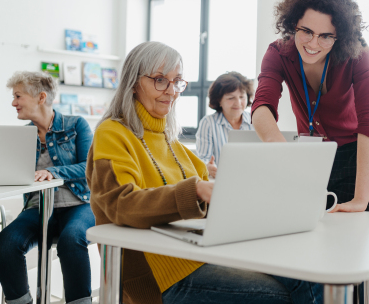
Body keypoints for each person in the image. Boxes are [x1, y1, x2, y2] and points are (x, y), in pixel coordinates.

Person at [86, 41, 322, 304]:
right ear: (133, 82)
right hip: (165, 275)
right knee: (286, 295)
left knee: (312, 275)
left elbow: (209, 198)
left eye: (177, 81)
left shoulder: (170, 141)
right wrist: (196, 190)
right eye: (160, 80)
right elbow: (121, 204)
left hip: (203, 254)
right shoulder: (112, 132)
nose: (171, 91)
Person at [252, 0, 369, 214]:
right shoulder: (278, 53)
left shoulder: (358, 53)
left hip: (358, 152)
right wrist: (279, 149)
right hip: (311, 154)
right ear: (293, 24)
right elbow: (262, 105)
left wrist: (360, 200)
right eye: (306, 32)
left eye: (325, 36)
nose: (313, 44)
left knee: (351, 235)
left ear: (339, 37)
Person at [0, 71, 95, 304]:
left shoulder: (76, 125)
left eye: (18, 96)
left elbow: (90, 168)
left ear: (41, 97)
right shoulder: (22, 136)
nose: (13, 103)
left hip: (79, 204)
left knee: (71, 240)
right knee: (6, 244)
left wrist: (54, 172)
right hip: (38, 208)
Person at [196, 71, 254, 178]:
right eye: (231, 98)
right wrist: (207, 167)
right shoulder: (208, 123)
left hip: (251, 179)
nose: (238, 103)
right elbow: (203, 160)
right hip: (220, 181)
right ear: (219, 100)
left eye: (242, 97)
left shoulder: (255, 121)